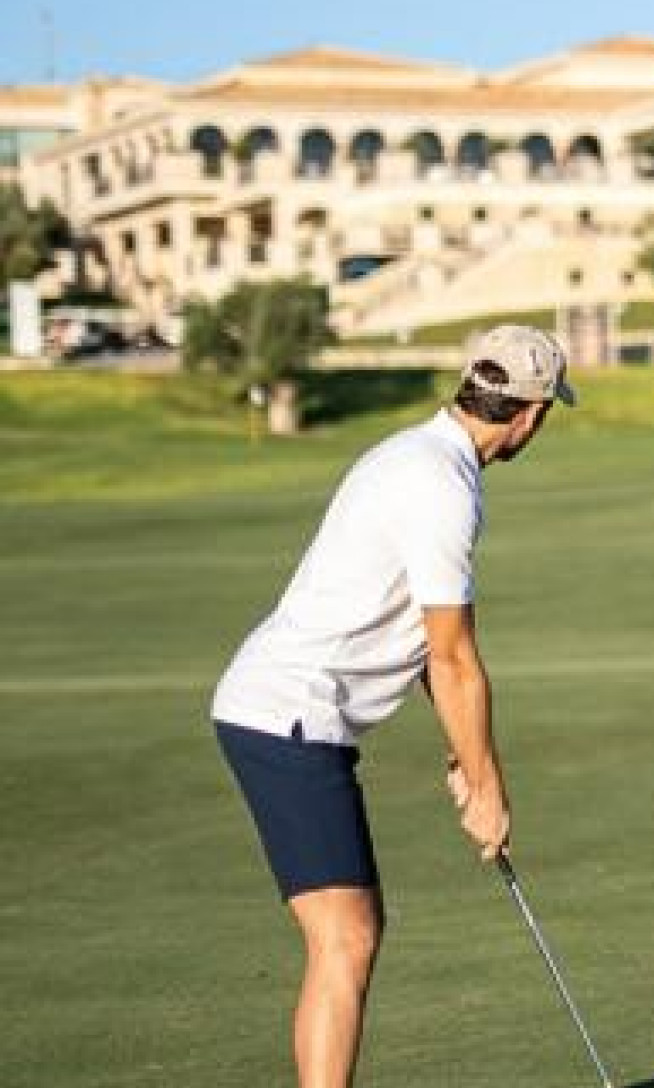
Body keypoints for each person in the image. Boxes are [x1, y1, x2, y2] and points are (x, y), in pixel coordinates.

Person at [210, 324, 575, 1088]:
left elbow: (419, 641)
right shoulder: (441, 486)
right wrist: (487, 786)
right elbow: (453, 655)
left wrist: (464, 753)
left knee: (350, 933)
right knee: (345, 937)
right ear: (531, 414)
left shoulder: (415, 455)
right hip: (290, 712)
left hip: (281, 708)